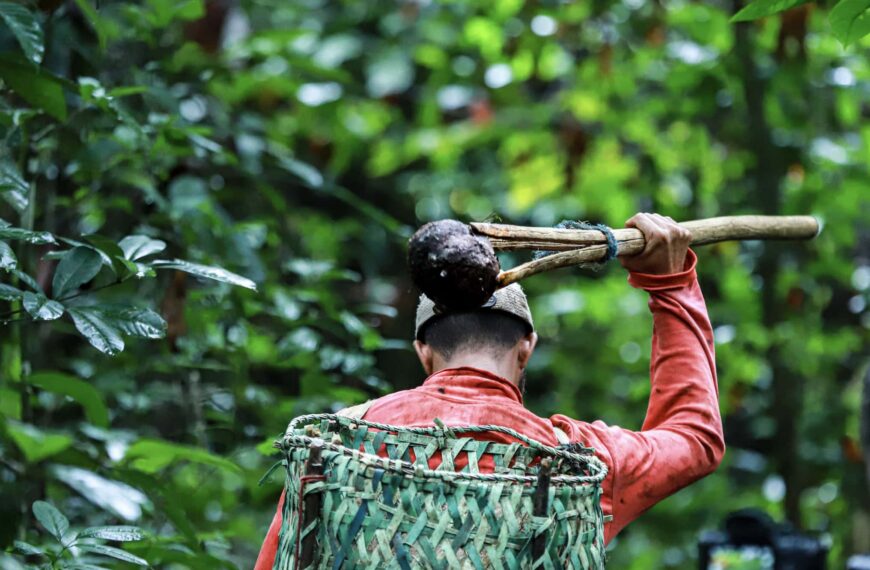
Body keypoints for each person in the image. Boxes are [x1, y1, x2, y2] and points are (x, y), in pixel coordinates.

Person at [254, 212, 724, 569]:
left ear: (423, 351)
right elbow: (694, 439)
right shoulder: (581, 462)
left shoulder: (338, 446)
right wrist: (671, 282)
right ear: (526, 348)